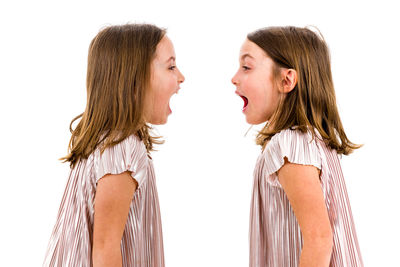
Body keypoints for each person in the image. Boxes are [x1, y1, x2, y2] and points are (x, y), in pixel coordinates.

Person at [43, 23, 184, 267]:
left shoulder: (106, 143)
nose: (181, 76)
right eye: (171, 66)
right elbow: (105, 250)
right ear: (135, 79)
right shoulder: (124, 149)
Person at [231, 26, 363, 267]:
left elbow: (320, 240)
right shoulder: (311, 142)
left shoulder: (289, 145)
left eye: (246, 67)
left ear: (286, 80)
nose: (234, 77)